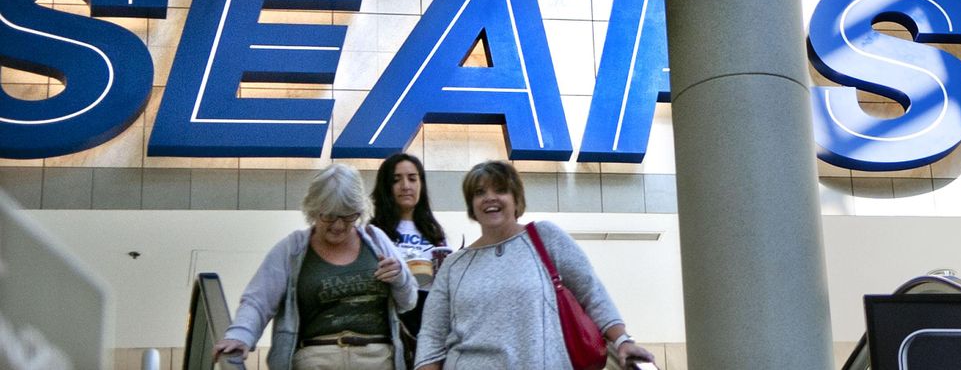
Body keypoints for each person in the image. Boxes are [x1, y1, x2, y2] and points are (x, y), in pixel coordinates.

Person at [414, 161, 655, 369]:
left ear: (516, 200)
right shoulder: (455, 265)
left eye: (500, 190)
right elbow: (432, 334)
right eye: (479, 192)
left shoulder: (545, 237)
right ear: (472, 206)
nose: (489, 197)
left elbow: (592, 293)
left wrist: (623, 340)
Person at [213, 164, 420, 369]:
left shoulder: (376, 241)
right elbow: (259, 300)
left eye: (348, 216)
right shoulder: (291, 250)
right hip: (316, 359)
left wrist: (400, 278)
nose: (338, 226)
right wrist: (240, 335)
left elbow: (408, 301)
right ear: (313, 210)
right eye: (329, 215)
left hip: (377, 359)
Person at [370, 153, 448, 334]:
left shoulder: (435, 233)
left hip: (428, 322)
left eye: (412, 179)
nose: (406, 186)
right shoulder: (373, 233)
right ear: (385, 186)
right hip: (388, 318)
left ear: (421, 184)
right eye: (396, 180)